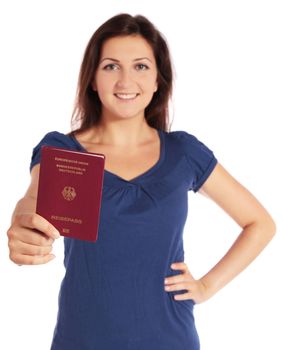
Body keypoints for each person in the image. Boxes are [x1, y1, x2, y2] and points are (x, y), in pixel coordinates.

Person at [7, 13, 276, 350]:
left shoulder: (183, 153)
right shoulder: (64, 151)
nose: (125, 80)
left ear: (157, 81)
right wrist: (22, 227)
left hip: (170, 340)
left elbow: (259, 223)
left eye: (140, 66)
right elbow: (32, 201)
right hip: (83, 340)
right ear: (92, 78)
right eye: (110, 66)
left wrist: (207, 286)